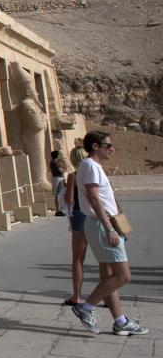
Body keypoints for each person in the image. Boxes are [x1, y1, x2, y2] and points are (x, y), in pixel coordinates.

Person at [70, 131, 148, 336]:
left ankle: (120, 320)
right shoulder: (90, 166)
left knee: (110, 275)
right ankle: (85, 307)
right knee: (123, 276)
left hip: (103, 223)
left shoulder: (93, 167)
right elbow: (94, 198)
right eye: (108, 145)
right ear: (95, 146)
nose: (112, 149)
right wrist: (109, 228)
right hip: (102, 224)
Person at [62, 146, 90, 305]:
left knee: (78, 259)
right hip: (97, 215)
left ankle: (77, 295)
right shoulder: (96, 172)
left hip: (80, 215)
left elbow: (69, 200)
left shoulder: (74, 175)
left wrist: (64, 193)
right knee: (103, 260)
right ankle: (108, 296)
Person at [50, 150, 67, 216]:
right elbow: (61, 171)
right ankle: (59, 210)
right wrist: (63, 169)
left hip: (56, 178)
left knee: (58, 195)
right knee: (59, 194)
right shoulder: (55, 162)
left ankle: (58, 209)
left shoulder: (52, 162)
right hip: (58, 179)